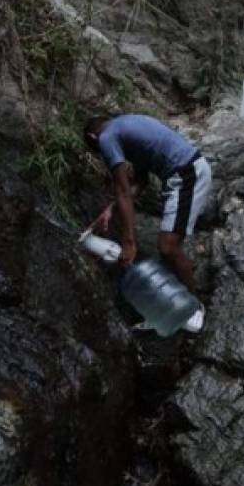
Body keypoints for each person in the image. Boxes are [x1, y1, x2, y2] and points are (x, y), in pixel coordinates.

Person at [84, 114, 212, 328]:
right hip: (183, 174)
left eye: (97, 151)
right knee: (167, 247)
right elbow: (140, 182)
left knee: (168, 247)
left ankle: (194, 307)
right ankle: (171, 305)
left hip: (187, 174)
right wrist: (111, 209)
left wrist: (129, 241)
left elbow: (123, 190)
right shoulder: (125, 128)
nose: (103, 155)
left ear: (93, 137)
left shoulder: (106, 137)